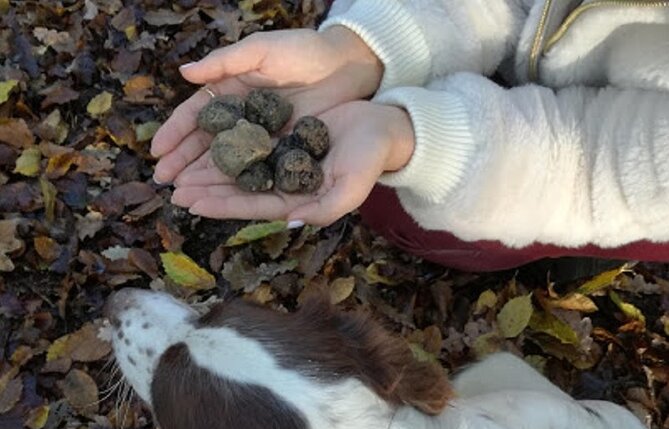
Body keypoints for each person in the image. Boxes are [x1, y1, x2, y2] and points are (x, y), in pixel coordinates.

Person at [151, 0, 669, 272]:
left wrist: (419, 143)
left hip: (632, 178)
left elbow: (586, 168)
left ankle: (571, 250)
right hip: (536, 38)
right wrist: (361, 49)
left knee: (402, 214)